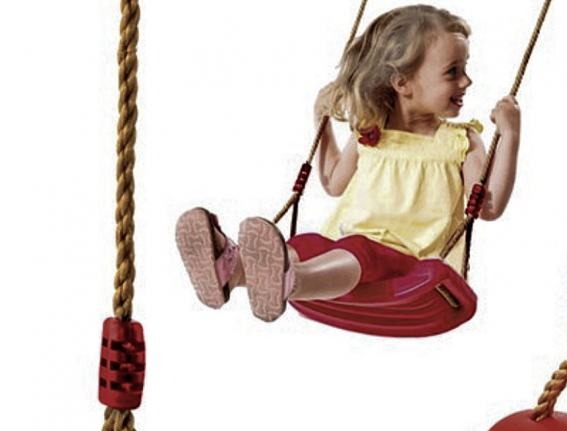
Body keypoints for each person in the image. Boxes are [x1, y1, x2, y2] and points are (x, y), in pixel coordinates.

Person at [176, 4, 521, 322]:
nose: (466, 81)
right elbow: (333, 182)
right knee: (307, 244)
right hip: (349, 255)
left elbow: (486, 207)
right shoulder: (370, 132)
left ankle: (291, 280)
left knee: (358, 249)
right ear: (402, 83)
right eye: (453, 72)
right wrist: (321, 121)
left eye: (464, 69)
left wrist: (510, 135)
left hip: (412, 266)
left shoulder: (459, 142)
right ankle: (232, 270)